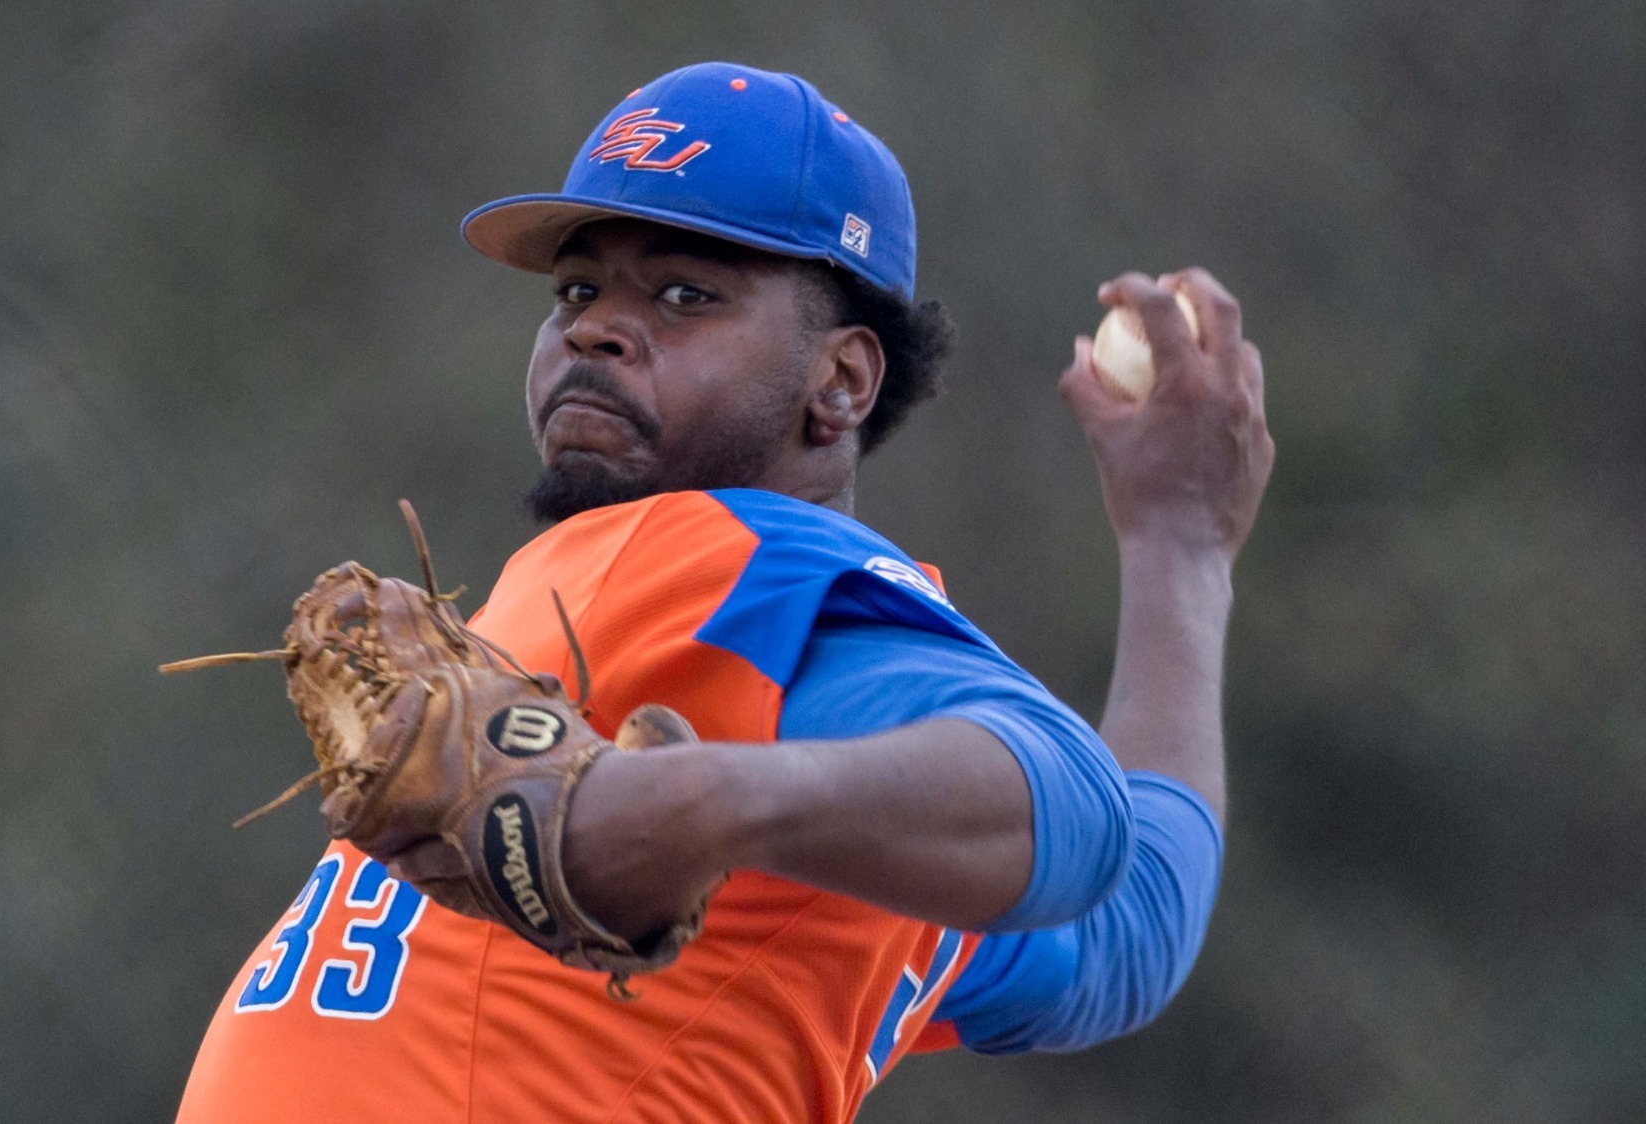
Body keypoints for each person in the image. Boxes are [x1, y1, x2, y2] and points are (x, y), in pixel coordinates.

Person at [175, 61, 1273, 1122]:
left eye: (685, 292)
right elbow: (1127, 923)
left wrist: (691, 804)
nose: (592, 326)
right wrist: (1178, 548)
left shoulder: (735, 558)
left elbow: (1074, 806)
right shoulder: (855, 796)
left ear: (839, 379)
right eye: (576, 287)